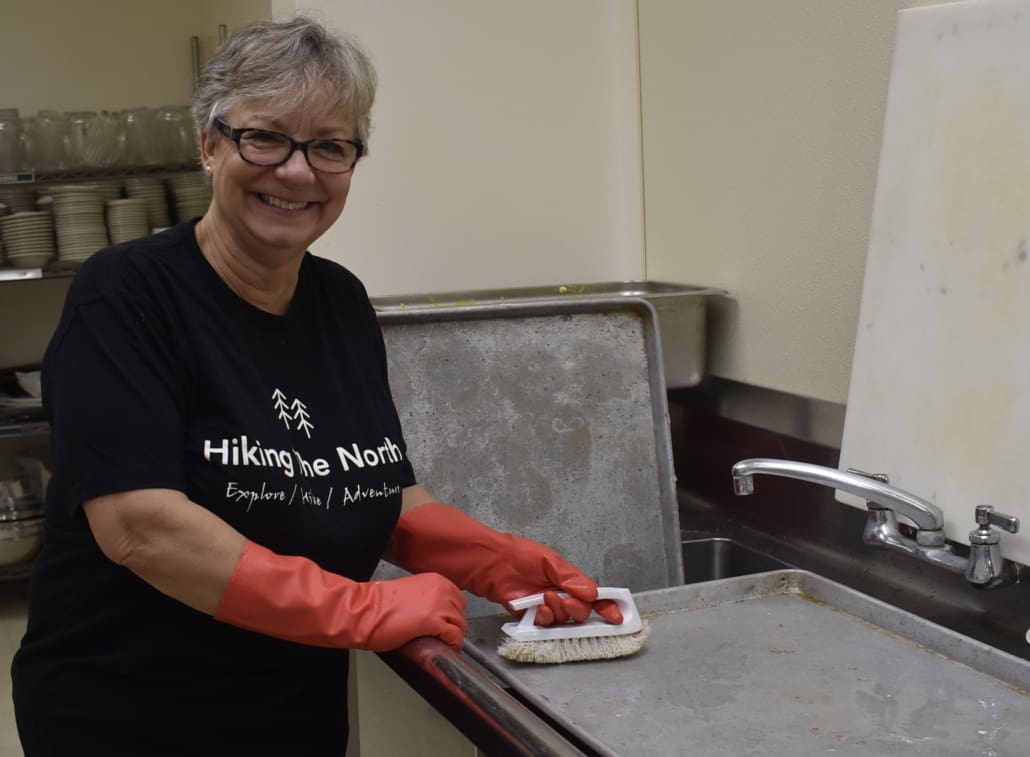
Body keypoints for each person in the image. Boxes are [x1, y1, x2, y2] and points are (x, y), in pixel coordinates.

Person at [10, 16, 621, 757]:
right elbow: (143, 528)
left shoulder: (340, 302)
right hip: (130, 721)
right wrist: (361, 608)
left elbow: (371, 489)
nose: (297, 172)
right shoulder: (127, 296)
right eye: (265, 138)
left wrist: (496, 560)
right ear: (209, 144)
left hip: (292, 717)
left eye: (330, 146)